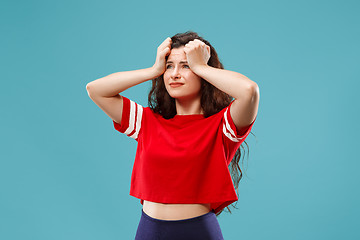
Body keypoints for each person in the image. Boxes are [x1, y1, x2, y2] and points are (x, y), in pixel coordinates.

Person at [86, 31, 260, 240]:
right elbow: (95, 89)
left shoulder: (222, 126)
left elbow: (249, 91)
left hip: (198, 232)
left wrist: (201, 66)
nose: (174, 74)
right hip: (149, 231)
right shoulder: (146, 122)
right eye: (169, 66)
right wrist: (153, 70)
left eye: (185, 65)